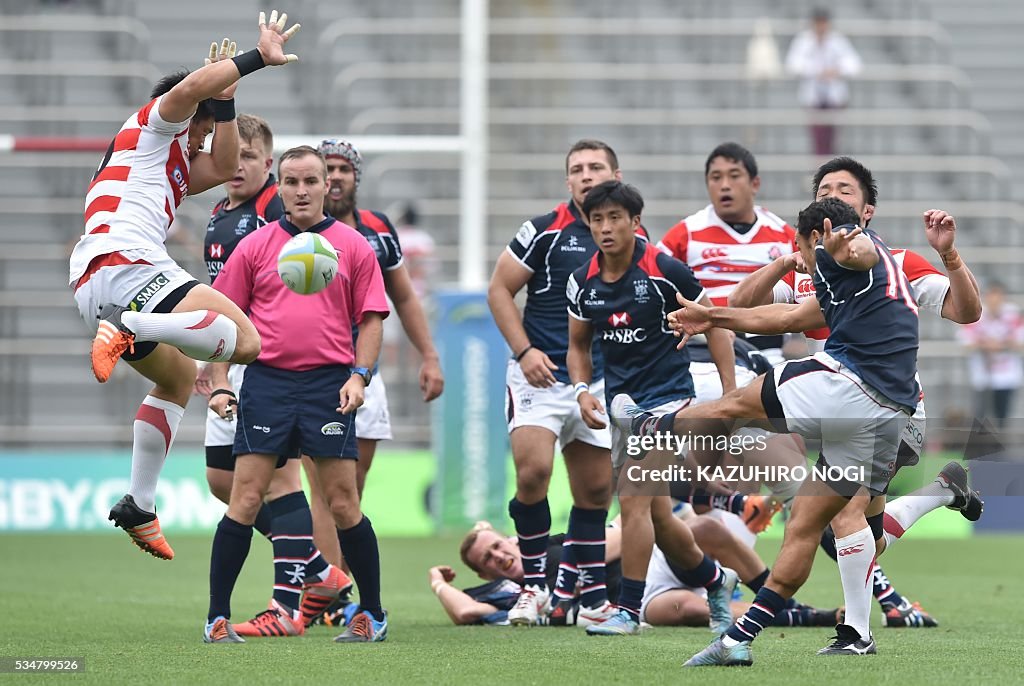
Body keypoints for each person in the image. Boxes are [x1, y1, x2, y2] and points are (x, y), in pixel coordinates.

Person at [648, 197, 982, 665]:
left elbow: (878, 263)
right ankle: (740, 640)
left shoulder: (862, 251)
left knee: (741, 402)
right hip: (878, 411)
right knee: (820, 525)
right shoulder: (822, 274)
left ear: (855, 216)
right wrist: (715, 316)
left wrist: (843, 245)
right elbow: (781, 316)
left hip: (856, 391)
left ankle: (649, 425)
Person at [68, 11, 300, 562]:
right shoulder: (154, 124)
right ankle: (131, 327)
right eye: (202, 121)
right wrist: (248, 61)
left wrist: (226, 99)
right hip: (128, 265)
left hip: (95, 283)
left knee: (175, 382)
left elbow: (224, 164)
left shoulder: (173, 163)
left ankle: (140, 504)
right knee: (245, 341)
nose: (203, 135)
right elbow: (189, 88)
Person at [729, 155, 983, 628]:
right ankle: (942, 492)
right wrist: (788, 258)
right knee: (863, 531)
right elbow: (742, 306)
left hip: (891, 409)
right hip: (829, 404)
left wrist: (950, 256)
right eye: (824, 188)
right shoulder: (807, 271)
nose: (832, 194)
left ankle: (856, 632)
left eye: (845, 190)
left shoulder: (898, 261)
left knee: (842, 516)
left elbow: (966, 312)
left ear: (867, 212)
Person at [203, 146, 390, 644]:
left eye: (311, 181)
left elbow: (371, 318)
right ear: (279, 186)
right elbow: (223, 318)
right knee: (243, 498)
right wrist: (219, 382)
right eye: (291, 181)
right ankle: (216, 619)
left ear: (327, 185)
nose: (301, 190)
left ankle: (371, 614)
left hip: (329, 385)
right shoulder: (256, 247)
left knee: (343, 502)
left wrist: (360, 376)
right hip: (267, 382)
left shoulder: (353, 246)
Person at [566, 180, 739, 636]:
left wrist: (728, 394)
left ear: (635, 222)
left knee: (634, 503)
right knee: (659, 517)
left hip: (668, 400)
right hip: (621, 405)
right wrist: (582, 390)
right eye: (596, 219)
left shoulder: (665, 270)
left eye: (614, 218)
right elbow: (578, 345)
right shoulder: (582, 283)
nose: (605, 227)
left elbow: (716, 326)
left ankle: (627, 611)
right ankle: (716, 580)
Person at [486, 140, 646, 627]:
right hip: (541, 372)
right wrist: (525, 351)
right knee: (533, 472)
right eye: (577, 169)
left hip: (597, 380)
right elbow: (499, 290)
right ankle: (533, 586)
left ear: (615, 174)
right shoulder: (543, 231)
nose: (586, 175)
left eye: (596, 167)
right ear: (568, 181)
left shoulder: (634, 240)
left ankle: (591, 595)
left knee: (596, 490)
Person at [296, 139, 444, 602]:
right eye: (329, 169)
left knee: (350, 493)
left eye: (344, 169)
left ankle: (333, 587)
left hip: (367, 376)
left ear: (355, 177)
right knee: (322, 491)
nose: (336, 177)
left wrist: (430, 356)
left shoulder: (378, 230)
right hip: (314, 376)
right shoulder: (295, 233)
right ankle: (329, 595)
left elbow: (403, 297)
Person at [657, 142, 805, 526]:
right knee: (721, 472)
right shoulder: (685, 234)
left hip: (765, 363)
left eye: (733, 176)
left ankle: (728, 567)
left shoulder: (783, 235)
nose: (724, 185)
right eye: (715, 177)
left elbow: (804, 301)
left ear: (754, 183)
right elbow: (655, 291)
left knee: (744, 474)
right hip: (703, 362)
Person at [434, 512, 837, 629]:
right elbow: (467, 612)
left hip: (654, 559)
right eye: (487, 560)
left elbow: (621, 537)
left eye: (498, 546)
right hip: (640, 601)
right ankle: (799, 617)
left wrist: (622, 533)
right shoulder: (510, 593)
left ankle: (782, 601)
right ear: (487, 575)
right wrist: (436, 582)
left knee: (707, 529)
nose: (498, 556)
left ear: (512, 538)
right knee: (685, 610)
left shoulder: (554, 543)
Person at [785, 8, 862, 156]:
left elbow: (855, 65)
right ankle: (820, 169)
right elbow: (793, 65)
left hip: (834, 97)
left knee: (833, 138)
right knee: (818, 137)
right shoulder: (803, 40)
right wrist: (816, 71)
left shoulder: (838, 40)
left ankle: (831, 168)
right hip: (814, 98)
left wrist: (836, 71)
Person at [960, 281, 1024, 428]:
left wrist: (1002, 345)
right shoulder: (976, 313)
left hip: (1006, 374)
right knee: (980, 415)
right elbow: (966, 342)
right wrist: (986, 345)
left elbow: (1020, 342)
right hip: (982, 373)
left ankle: (1000, 445)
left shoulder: (1013, 315)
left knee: (1002, 414)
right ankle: (981, 446)